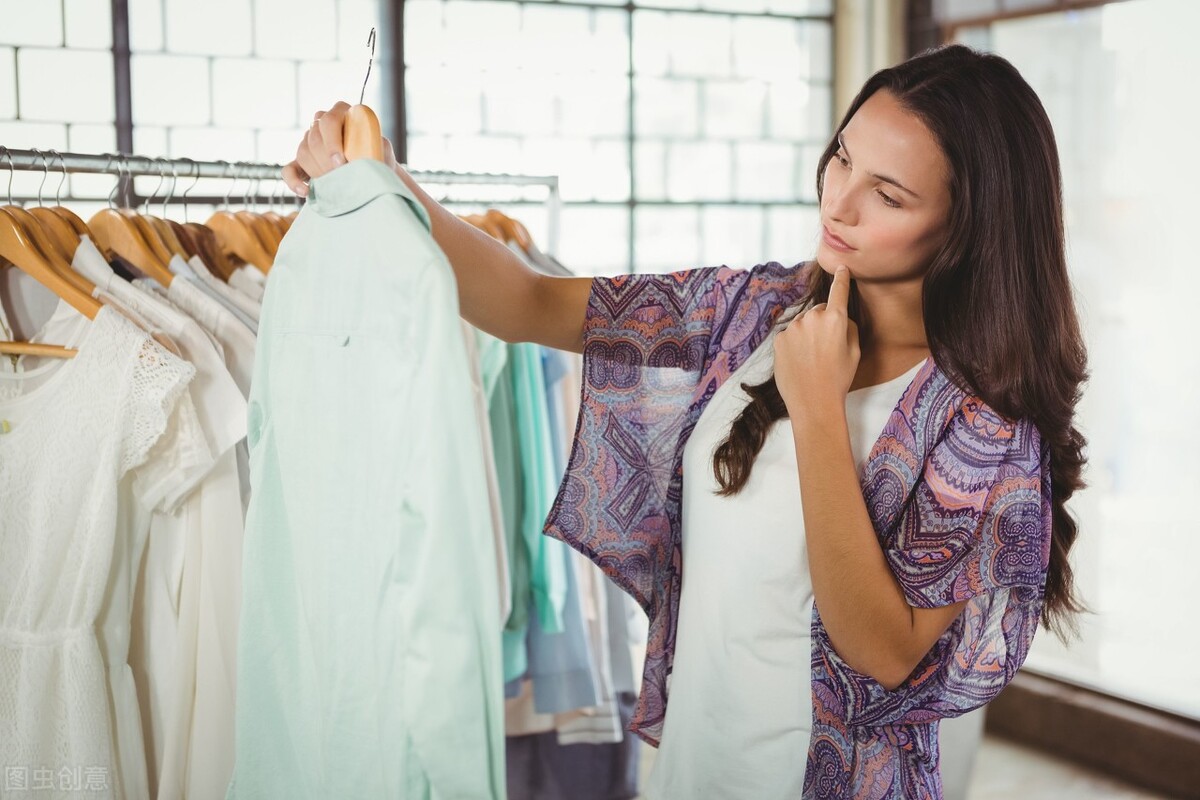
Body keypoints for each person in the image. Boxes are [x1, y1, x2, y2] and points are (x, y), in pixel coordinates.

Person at [283, 43, 1087, 800]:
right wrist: (383, 183)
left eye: (888, 194)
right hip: (694, 762)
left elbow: (880, 650)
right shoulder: (748, 309)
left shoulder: (982, 422)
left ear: (967, 224)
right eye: (843, 156)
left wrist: (815, 409)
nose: (837, 201)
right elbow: (528, 300)